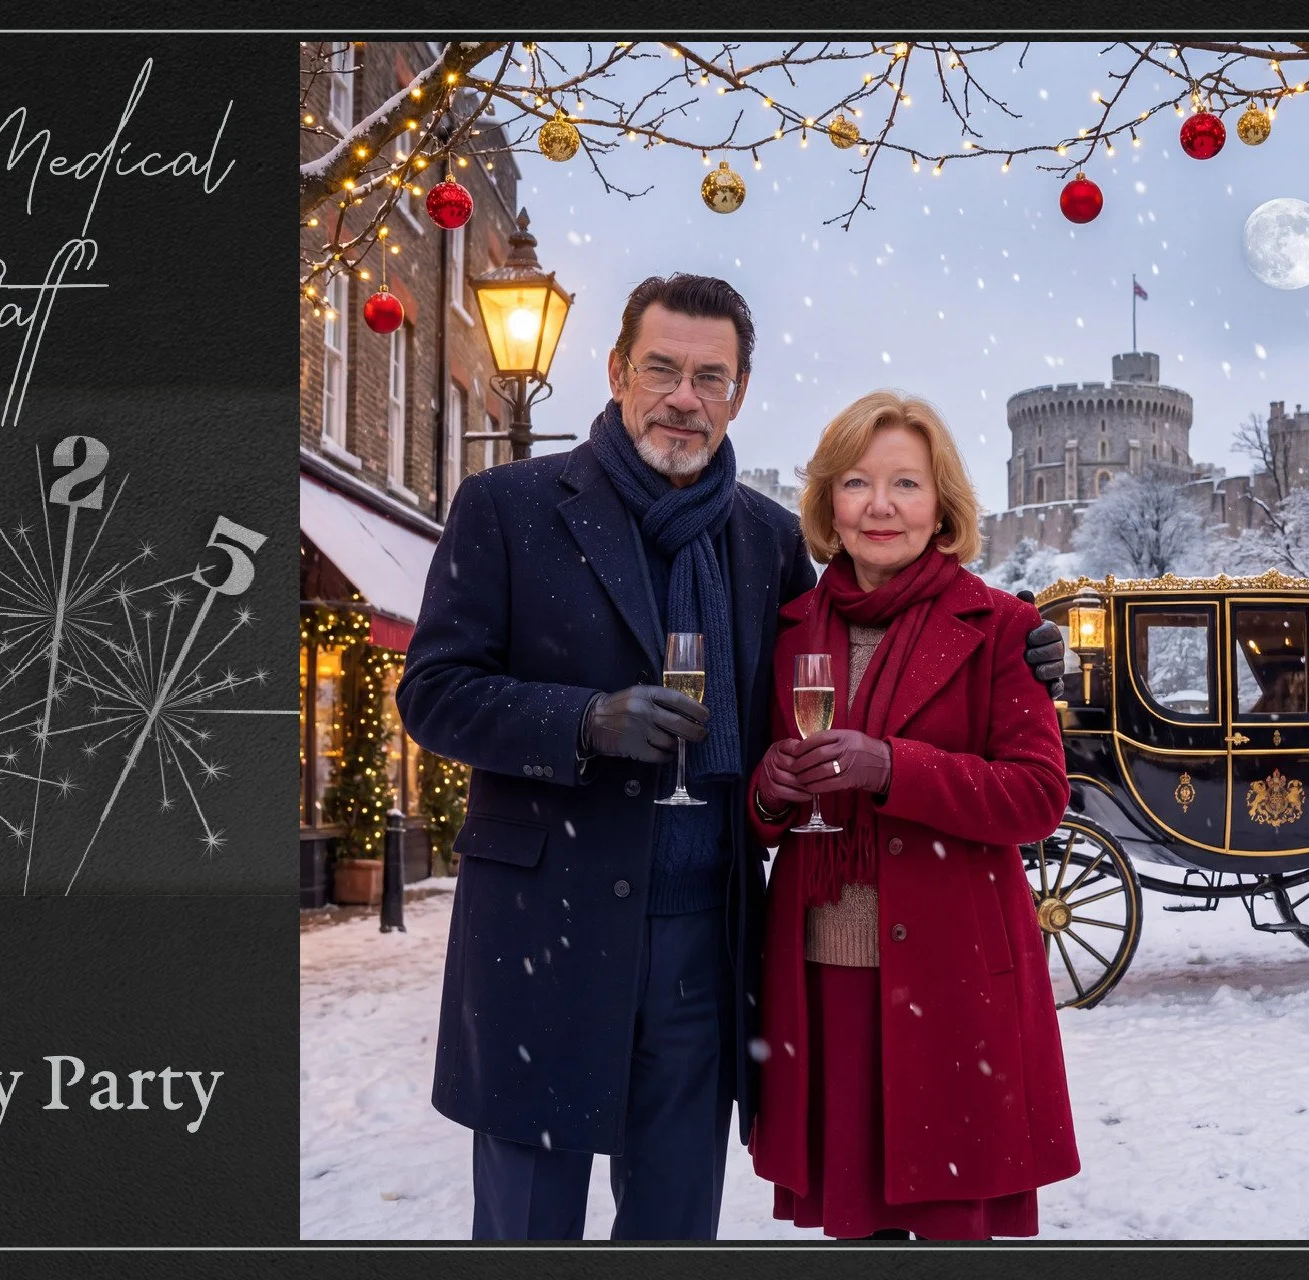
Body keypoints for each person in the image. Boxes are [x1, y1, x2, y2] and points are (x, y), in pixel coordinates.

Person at [394, 276, 1066, 1241]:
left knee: (674, 1224)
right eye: (662, 369)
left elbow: (872, 616)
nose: (684, 397)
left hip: (704, 939)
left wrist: (1029, 649)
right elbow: (435, 692)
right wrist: (584, 721)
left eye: (710, 377)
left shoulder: (765, 542)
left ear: (740, 391)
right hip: (546, 927)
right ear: (619, 371)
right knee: (527, 1226)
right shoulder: (509, 506)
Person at [746, 390, 1080, 1241]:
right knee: (854, 1228)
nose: (881, 506)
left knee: (947, 1225)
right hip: (825, 982)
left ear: (942, 508)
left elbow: (1038, 799)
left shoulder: (1001, 627)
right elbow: (758, 813)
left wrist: (894, 767)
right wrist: (772, 793)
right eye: (857, 483)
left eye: (906, 484)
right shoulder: (788, 632)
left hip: (951, 980)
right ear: (828, 503)